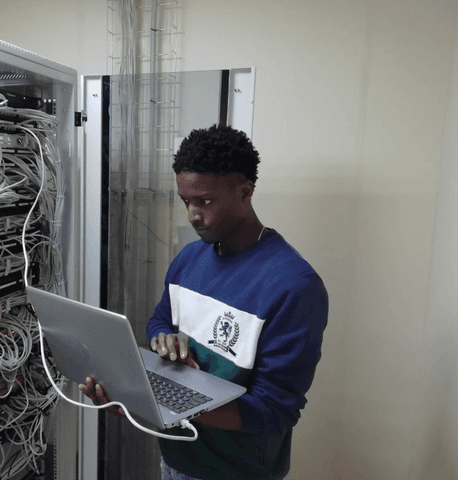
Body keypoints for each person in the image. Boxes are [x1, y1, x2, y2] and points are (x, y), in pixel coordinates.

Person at [80, 124, 328, 480]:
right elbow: (160, 321)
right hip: (175, 458)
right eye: (186, 201)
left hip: (236, 472)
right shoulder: (188, 259)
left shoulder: (294, 286)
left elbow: (275, 411)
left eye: (205, 201)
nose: (192, 215)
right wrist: (162, 340)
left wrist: (160, 402)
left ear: (245, 191)